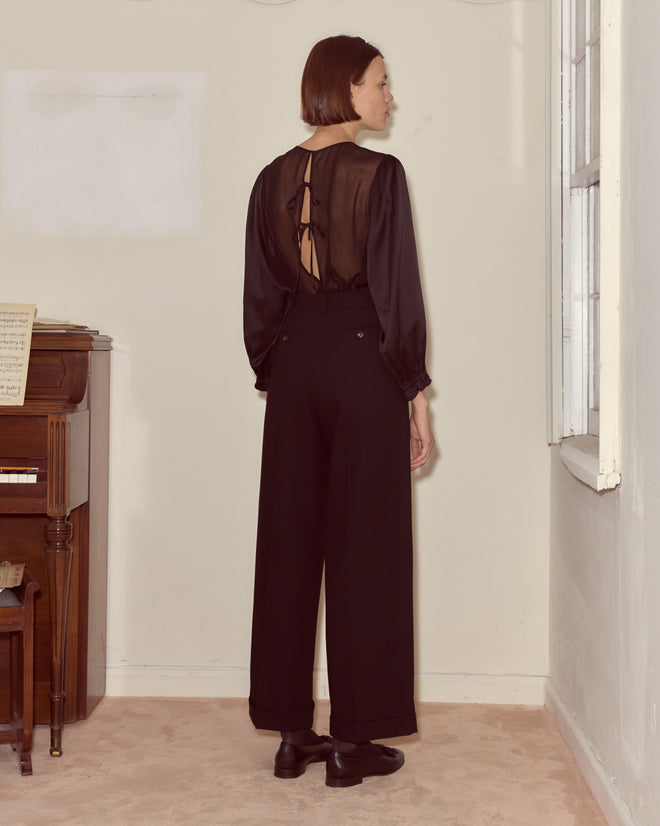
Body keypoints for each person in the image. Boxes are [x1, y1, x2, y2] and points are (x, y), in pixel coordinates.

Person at [243, 34, 434, 788]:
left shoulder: (269, 179)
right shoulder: (379, 175)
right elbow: (396, 294)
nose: (390, 97)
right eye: (381, 83)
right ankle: (356, 743)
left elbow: (260, 298)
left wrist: (280, 365)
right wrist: (414, 391)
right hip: (363, 363)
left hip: (294, 364)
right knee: (368, 545)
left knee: (288, 544)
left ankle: (294, 734)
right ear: (345, 88)